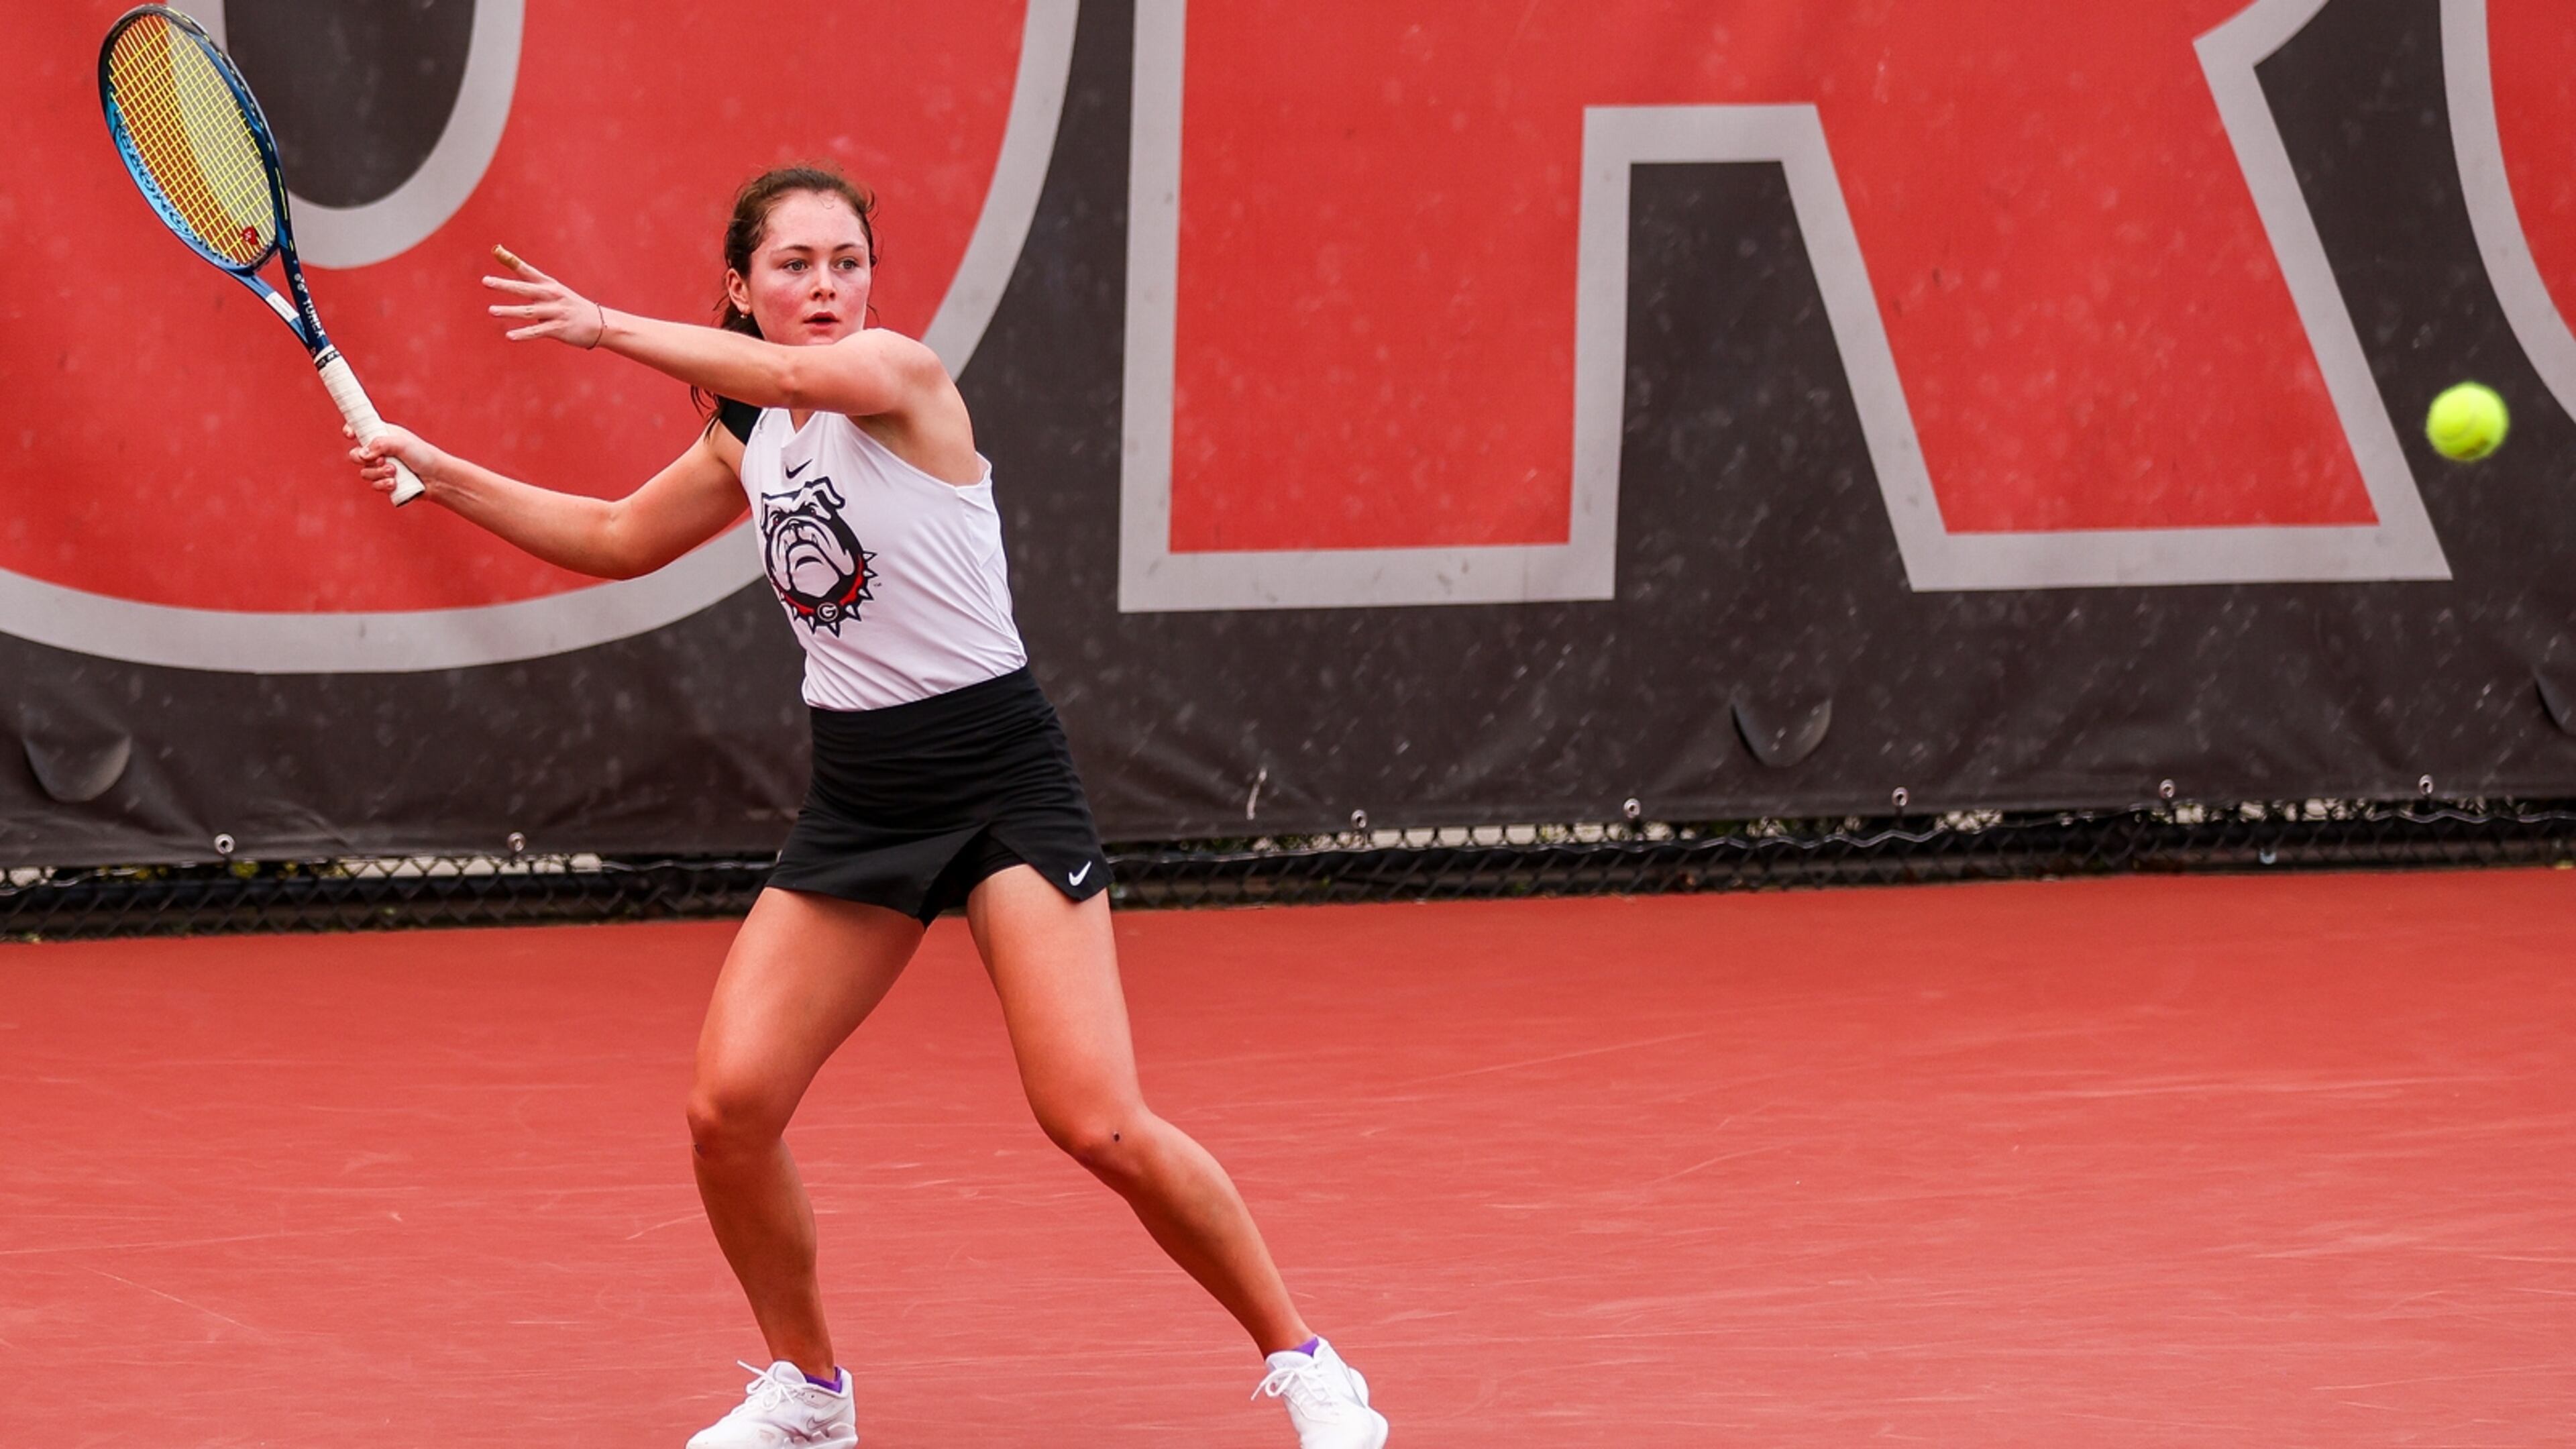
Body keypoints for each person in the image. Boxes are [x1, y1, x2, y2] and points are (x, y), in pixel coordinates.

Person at [346, 164, 1390, 1449]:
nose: (826, 287)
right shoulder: (753, 433)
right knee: (729, 1112)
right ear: (743, 285)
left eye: (846, 262)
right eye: (794, 266)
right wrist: (437, 471)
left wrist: (604, 326)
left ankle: (1307, 1360)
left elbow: (785, 377)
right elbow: (618, 537)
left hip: (1002, 781)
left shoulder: (899, 377)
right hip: (861, 796)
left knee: (1096, 1119)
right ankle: (810, 1395)